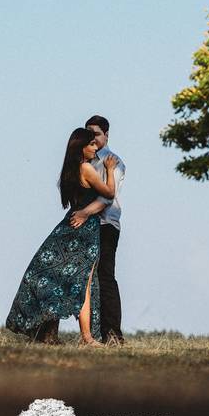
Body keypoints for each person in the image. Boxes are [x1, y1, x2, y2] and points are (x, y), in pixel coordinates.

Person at [5, 127, 118, 346]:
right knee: (84, 282)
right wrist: (110, 170)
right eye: (92, 144)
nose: (96, 147)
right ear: (81, 147)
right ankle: (87, 338)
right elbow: (110, 194)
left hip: (68, 226)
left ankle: (50, 335)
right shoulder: (86, 168)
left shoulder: (69, 170)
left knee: (54, 277)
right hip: (85, 230)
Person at [70, 115, 126, 345]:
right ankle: (87, 334)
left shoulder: (115, 162)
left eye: (97, 133)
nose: (93, 137)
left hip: (105, 225)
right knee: (80, 279)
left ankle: (112, 333)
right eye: (89, 133)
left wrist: (84, 213)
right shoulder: (83, 159)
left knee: (105, 276)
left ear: (106, 135)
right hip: (85, 226)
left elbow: (107, 197)